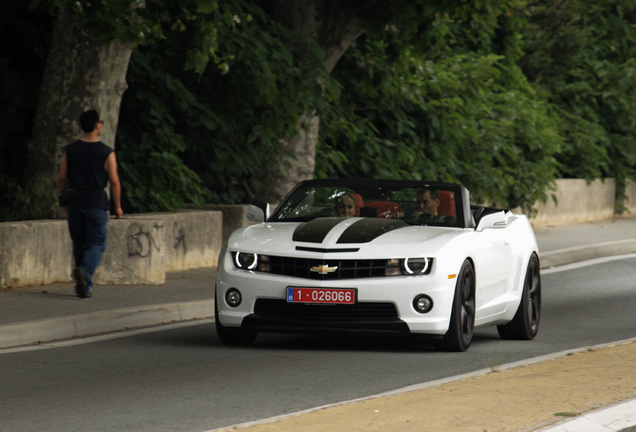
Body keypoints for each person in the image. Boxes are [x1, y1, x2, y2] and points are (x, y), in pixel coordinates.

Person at [58, 109, 123, 298]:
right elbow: (114, 181)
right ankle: (85, 274)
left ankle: (85, 286)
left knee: (79, 242)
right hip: (96, 202)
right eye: (101, 122)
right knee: (96, 243)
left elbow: (62, 178)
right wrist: (117, 206)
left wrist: (64, 198)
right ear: (96, 126)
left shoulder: (70, 150)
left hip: (75, 202)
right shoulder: (106, 152)